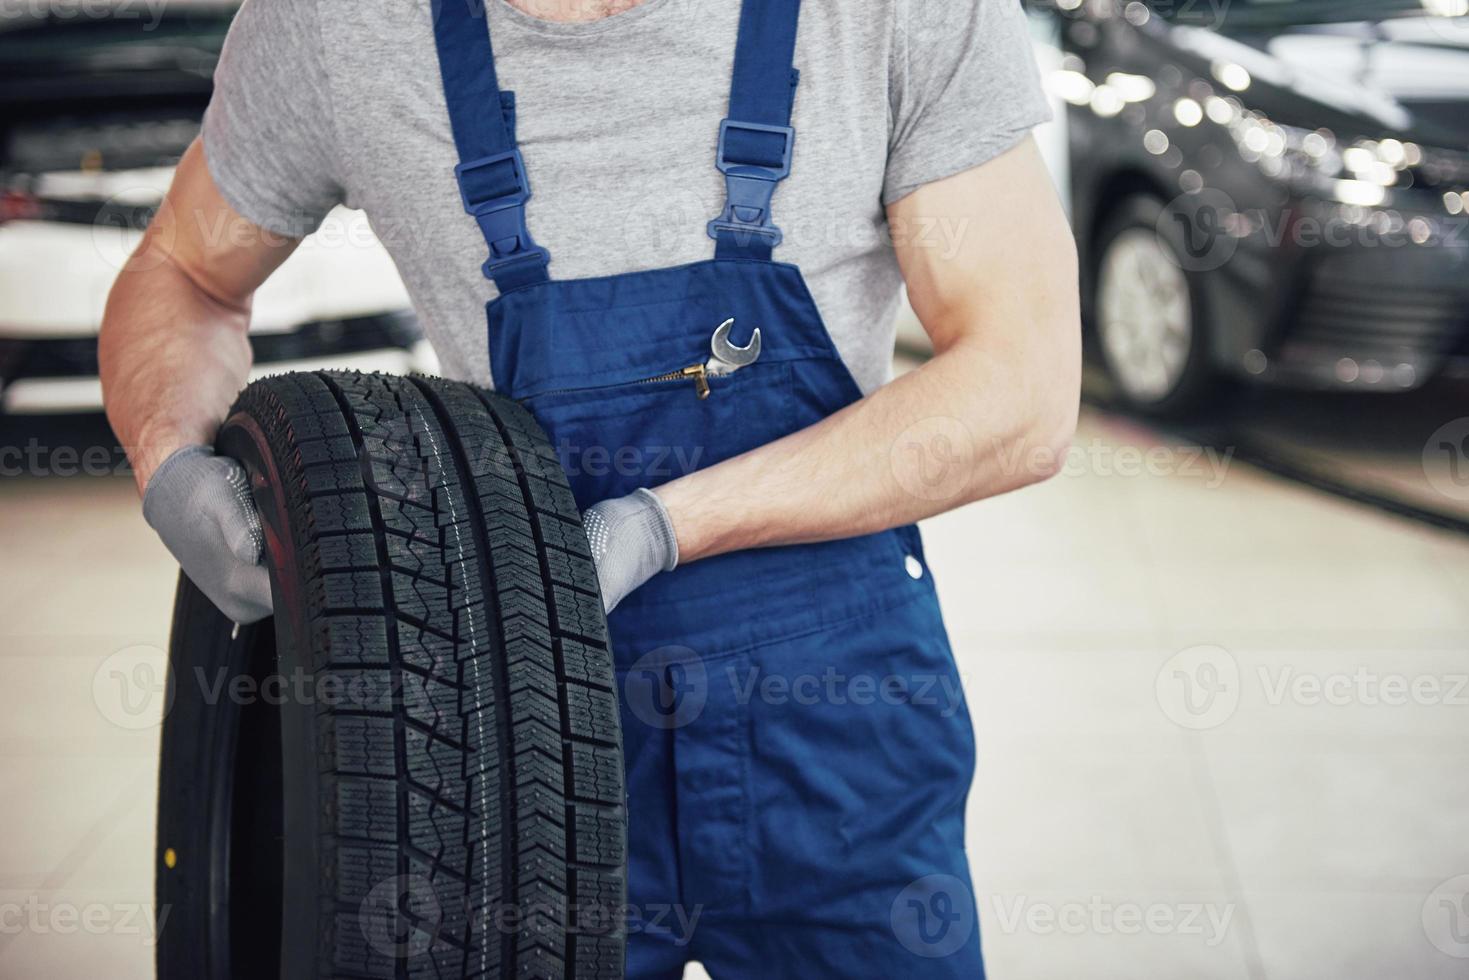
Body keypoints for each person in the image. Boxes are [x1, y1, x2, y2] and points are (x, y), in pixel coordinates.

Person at [99, 0, 1079, 974]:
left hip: (838, 722)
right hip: (508, 729)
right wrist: (171, 454)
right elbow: (183, 270)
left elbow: (1021, 389)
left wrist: (662, 526)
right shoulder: (334, 26)